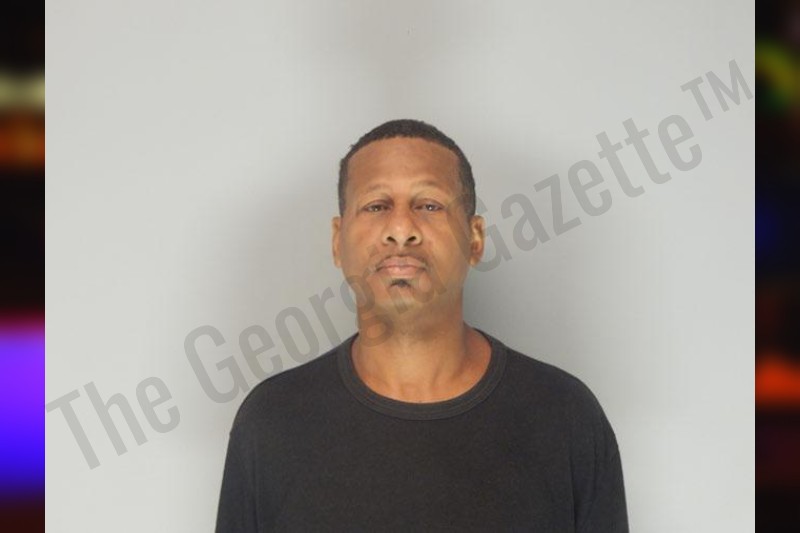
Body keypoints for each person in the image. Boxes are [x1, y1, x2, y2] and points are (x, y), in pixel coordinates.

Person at [215, 119, 629, 532]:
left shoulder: (565, 419)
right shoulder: (272, 423)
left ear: (475, 238)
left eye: (429, 205)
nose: (401, 231)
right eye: (376, 206)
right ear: (338, 241)